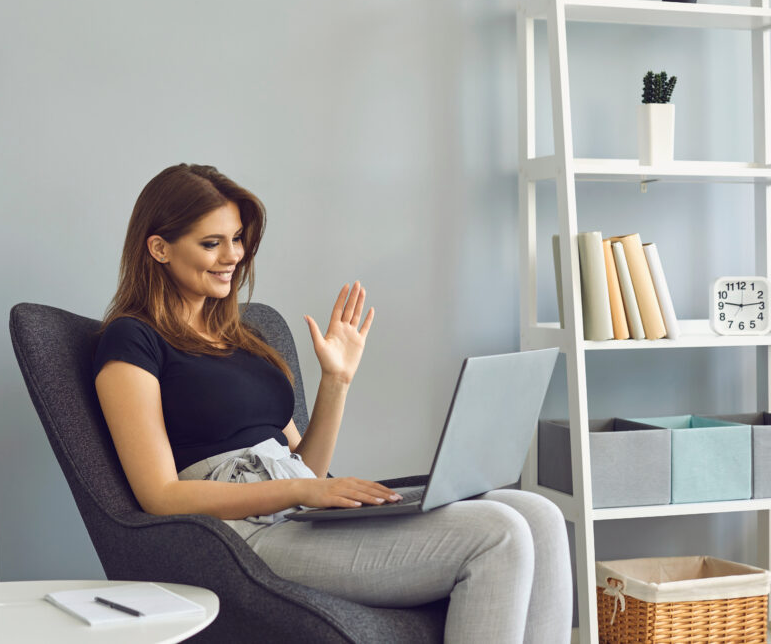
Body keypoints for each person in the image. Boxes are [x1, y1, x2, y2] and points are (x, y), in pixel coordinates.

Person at [93, 163, 572, 643]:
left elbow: (307, 467)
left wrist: (336, 380)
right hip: (240, 538)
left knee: (539, 514)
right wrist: (303, 492)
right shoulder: (132, 340)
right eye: (211, 243)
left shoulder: (245, 338)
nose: (232, 256)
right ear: (159, 247)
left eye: (237, 239)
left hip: (301, 516)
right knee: (499, 532)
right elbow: (160, 495)